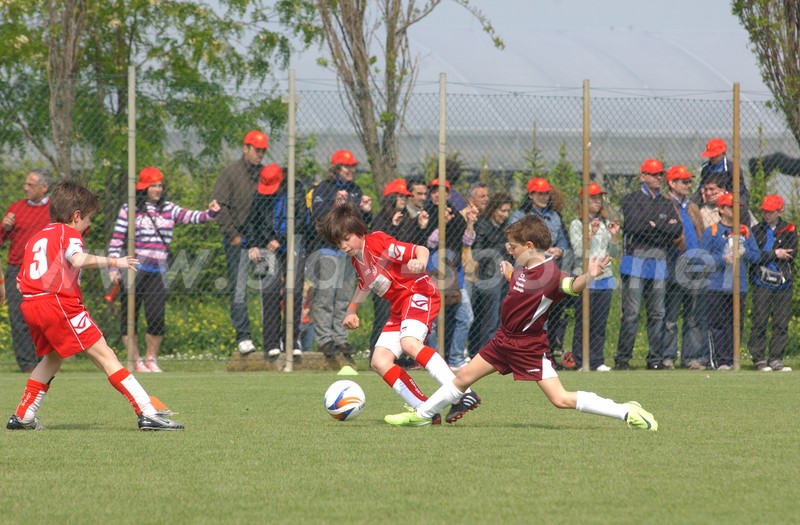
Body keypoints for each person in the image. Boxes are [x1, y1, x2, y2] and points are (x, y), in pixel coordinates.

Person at [384, 214, 657, 431]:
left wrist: (590, 275)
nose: (509, 250)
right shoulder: (525, 268)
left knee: (560, 399)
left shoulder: (551, 274)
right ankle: (422, 415)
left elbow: (571, 285)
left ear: (529, 246)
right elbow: (521, 288)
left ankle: (625, 411)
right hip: (504, 340)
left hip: (528, 346)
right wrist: (509, 274)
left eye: (513, 247)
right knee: (463, 377)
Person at [6, 179, 183, 431]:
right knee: (105, 355)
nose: (88, 224)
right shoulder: (69, 233)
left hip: (32, 305)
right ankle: (148, 412)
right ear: (76, 215)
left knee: (52, 358)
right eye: (88, 218)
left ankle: (23, 415)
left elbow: (20, 282)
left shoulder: (36, 237)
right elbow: (77, 259)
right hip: (59, 304)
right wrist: (115, 261)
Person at [316, 202, 479, 423]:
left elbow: (420, 250)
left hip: (419, 292)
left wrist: (420, 263)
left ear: (358, 230)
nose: (343, 246)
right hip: (400, 306)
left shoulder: (378, 243)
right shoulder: (357, 258)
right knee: (379, 361)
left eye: (346, 238)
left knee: (409, 343)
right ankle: (425, 411)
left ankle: (464, 392)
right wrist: (352, 309)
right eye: (338, 242)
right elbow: (365, 284)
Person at [108, 167, 220, 372]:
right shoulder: (129, 208)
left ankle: (151, 358)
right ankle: (135, 360)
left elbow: (193, 216)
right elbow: (117, 238)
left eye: (160, 185)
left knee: (156, 317)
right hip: (133, 269)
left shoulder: (169, 208)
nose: (158, 189)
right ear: (144, 187)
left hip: (157, 271)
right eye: (154, 186)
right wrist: (113, 266)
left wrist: (211, 213)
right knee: (129, 317)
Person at [614, 159, 683, 370]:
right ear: (642, 176)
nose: (658, 178)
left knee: (658, 314)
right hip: (635, 261)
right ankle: (622, 359)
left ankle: (654, 360)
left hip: (659, 262)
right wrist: (662, 227)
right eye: (654, 174)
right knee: (632, 313)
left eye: (660, 174)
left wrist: (654, 226)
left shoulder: (665, 202)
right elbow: (634, 227)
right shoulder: (631, 200)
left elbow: (676, 230)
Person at [309, 149, 372, 359]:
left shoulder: (355, 190)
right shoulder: (324, 188)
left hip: (349, 253)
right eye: (347, 166)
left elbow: (359, 225)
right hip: (328, 250)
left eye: (353, 166)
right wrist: (335, 206)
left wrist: (365, 212)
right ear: (336, 168)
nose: (351, 170)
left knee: (345, 297)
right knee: (326, 296)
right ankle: (325, 340)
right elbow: (319, 218)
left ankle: (340, 338)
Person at [242, 164, 310, 358]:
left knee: (294, 291)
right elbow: (252, 222)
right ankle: (271, 343)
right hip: (268, 246)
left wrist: (281, 240)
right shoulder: (261, 194)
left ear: (282, 180)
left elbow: (300, 220)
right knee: (270, 291)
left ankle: (291, 340)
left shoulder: (297, 190)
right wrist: (253, 245)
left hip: (292, 244)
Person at [213, 130, 269, 355]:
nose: (260, 154)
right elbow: (219, 206)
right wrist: (232, 235)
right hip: (238, 240)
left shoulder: (265, 173)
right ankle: (243, 336)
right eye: (257, 150)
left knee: (270, 289)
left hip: (262, 241)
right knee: (239, 289)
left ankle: (271, 338)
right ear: (245, 148)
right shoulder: (230, 173)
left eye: (263, 151)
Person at [510, 177, 573, 364]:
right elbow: (514, 243)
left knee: (550, 315)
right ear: (531, 195)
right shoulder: (519, 216)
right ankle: (525, 354)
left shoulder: (555, 216)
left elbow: (564, 243)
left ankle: (544, 354)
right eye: (540, 193)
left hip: (550, 272)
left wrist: (559, 250)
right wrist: (541, 252)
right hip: (528, 271)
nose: (544, 197)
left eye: (546, 193)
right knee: (529, 314)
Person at [699, 192, 760, 370]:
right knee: (718, 324)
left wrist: (744, 252)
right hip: (717, 286)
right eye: (732, 207)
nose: (736, 211)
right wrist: (722, 259)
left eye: (738, 208)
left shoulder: (745, 231)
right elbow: (701, 258)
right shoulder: (712, 231)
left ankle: (733, 359)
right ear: (721, 209)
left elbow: (756, 256)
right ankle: (720, 361)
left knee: (736, 324)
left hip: (738, 286)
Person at [1, 170, 52, 372]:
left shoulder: (55, 209)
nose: (25, 188)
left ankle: (47, 360)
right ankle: (27, 365)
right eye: (26, 184)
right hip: (17, 269)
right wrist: (4, 227)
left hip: (47, 271)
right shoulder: (16, 208)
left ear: (44, 187)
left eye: (30, 185)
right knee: (19, 316)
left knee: (45, 318)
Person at [568, 182, 619, 372]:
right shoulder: (577, 224)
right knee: (583, 322)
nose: (597, 201)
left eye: (599, 198)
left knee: (599, 323)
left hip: (604, 278)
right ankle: (580, 360)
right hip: (585, 278)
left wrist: (614, 237)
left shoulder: (605, 223)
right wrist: (590, 234)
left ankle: (597, 360)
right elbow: (578, 251)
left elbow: (613, 253)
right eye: (593, 198)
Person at [663, 166, 706, 370]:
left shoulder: (692, 206)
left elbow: (701, 232)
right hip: (675, 264)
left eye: (689, 181)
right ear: (672, 183)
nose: (688, 185)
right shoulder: (665, 204)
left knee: (694, 316)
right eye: (684, 181)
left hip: (695, 265)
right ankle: (668, 357)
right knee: (671, 316)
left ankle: (690, 357)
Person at [747, 195, 796, 372]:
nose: (766, 215)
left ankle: (775, 358)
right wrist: (774, 253)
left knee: (781, 321)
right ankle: (759, 358)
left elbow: (791, 253)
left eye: (770, 212)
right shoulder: (756, 230)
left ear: (779, 211)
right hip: (762, 281)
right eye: (764, 212)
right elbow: (754, 256)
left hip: (783, 282)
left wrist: (767, 254)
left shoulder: (789, 229)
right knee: (760, 319)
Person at [468, 192, 514, 355]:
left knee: (501, 317)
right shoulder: (482, 224)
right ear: (494, 209)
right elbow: (477, 252)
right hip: (487, 276)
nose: (505, 215)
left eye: (507, 211)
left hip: (504, 275)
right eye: (502, 210)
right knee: (490, 319)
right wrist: (502, 247)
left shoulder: (506, 227)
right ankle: (485, 354)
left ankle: (494, 351)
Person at [695, 138, 750, 206]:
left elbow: (739, 189)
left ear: (723, 154)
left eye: (715, 155)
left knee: (738, 201)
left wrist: (723, 194)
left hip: (730, 194)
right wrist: (702, 190)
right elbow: (703, 184)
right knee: (694, 200)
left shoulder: (732, 168)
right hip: (711, 193)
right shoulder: (706, 168)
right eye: (711, 156)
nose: (712, 158)